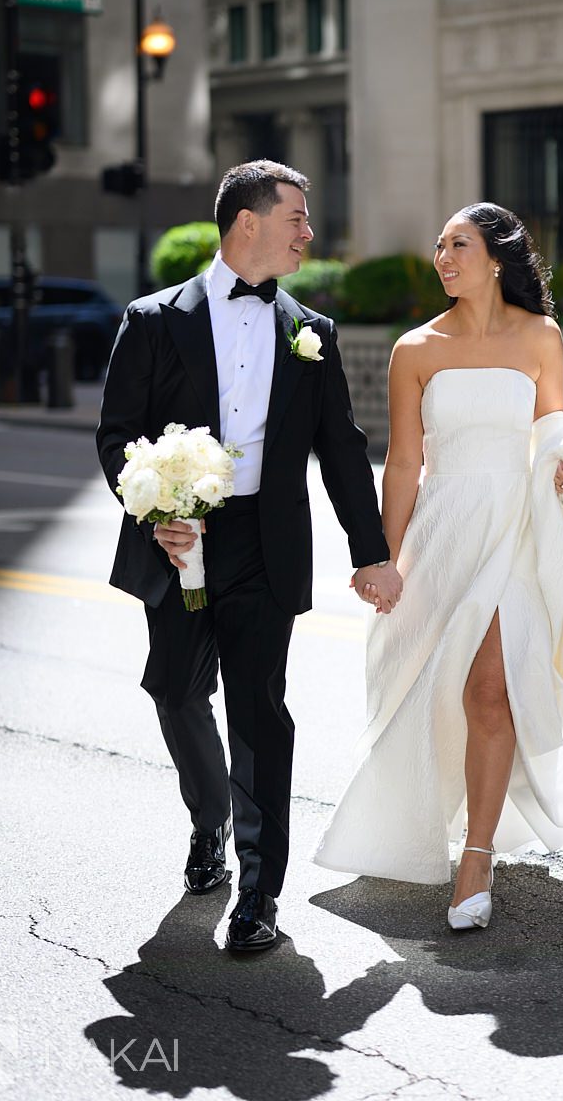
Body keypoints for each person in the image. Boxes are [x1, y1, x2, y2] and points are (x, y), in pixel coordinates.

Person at [312, 203, 563, 930]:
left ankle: (477, 854)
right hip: (446, 534)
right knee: (440, 689)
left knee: (492, 689)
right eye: (438, 245)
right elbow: (403, 463)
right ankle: (435, 816)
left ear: (497, 257)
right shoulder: (416, 350)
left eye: (457, 243)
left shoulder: (542, 337)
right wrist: (380, 556)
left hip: (520, 531)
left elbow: (554, 437)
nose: (442, 256)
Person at [97, 160, 402, 952]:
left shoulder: (311, 333)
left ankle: (259, 895)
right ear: (249, 223)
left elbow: (341, 450)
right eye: (297, 217)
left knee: (260, 714)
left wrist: (371, 553)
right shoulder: (153, 319)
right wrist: (156, 513)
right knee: (174, 691)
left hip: (267, 546)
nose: (308, 233)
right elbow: (116, 433)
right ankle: (209, 824)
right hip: (179, 542)